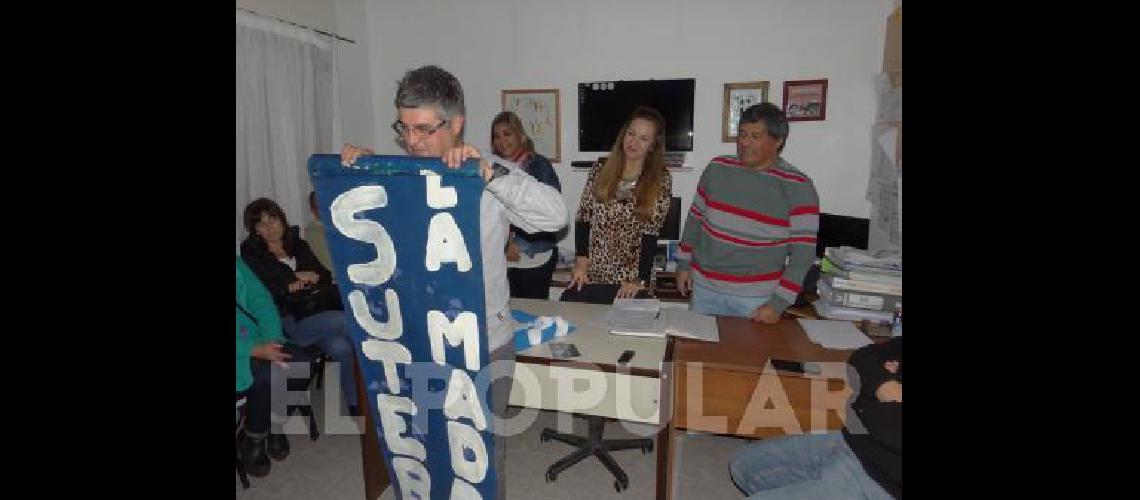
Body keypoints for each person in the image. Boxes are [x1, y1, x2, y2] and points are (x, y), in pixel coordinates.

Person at [341, 65, 567, 499]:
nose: (411, 142)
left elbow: (554, 216)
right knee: (428, 447)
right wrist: (357, 172)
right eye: (403, 129)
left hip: (484, 339)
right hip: (417, 340)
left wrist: (491, 176)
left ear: (456, 123)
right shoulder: (397, 174)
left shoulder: (489, 171)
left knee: (482, 454)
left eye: (424, 129)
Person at [675, 102, 819, 322]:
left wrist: (779, 303)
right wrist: (684, 264)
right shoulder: (717, 168)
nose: (744, 142)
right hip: (704, 289)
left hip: (756, 300)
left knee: (749, 357)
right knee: (698, 356)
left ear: (778, 141)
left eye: (755, 136)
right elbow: (694, 220)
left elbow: (803, 256)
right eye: (742, 134)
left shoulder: (798, 186)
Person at [728, 337, 901, 498]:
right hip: (853, 441)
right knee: (744, 466)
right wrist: (884, 382)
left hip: (881, 482)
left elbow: (889, 431)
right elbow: (864, 356)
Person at [239, 197, 360, 414]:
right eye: (262, 224)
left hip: (314, 310)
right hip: (286, 318)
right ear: (256, 231)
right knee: (345, 321)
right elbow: (265, 290)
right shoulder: (251, 253)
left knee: (341, 347)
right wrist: (292, 279)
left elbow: (323, 274)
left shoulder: (297, 243)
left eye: (272, 220)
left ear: (281, 219)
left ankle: (356, 404)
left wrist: (303, 279)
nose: (269, 227)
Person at [567, 106, 673, 303]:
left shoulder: (661, 178)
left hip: (631, 280)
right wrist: (581, 261)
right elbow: (583, 217)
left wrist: (638, 279)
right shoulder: (600, 168)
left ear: (652, 146)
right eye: (631, 134)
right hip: (594, 273)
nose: (634, 142)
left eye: (643, 138)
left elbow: (651, 233)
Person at [236, 257, 314, 477]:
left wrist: (272, 339)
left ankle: (273, 424)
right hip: (242, 349)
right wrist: (253, 350)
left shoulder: (238, 263)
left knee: (301, 363)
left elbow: (261, 299)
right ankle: (254, 439)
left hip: (260, 338)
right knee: (266, 375)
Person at [490, 111, 563, 299]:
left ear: (521, 136)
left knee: (533, 317)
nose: (502, 140)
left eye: (507, 134)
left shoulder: (539, 165)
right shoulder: (494, 168)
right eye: (497, 136)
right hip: (502, 259)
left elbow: (550, 215)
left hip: (534, 258)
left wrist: (518, 244)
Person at [304, 190, 335, 273]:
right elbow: (330, 266)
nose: (328, 209)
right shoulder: (313, 232)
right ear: (313, 211)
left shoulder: (337, 225)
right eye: (322, 206)